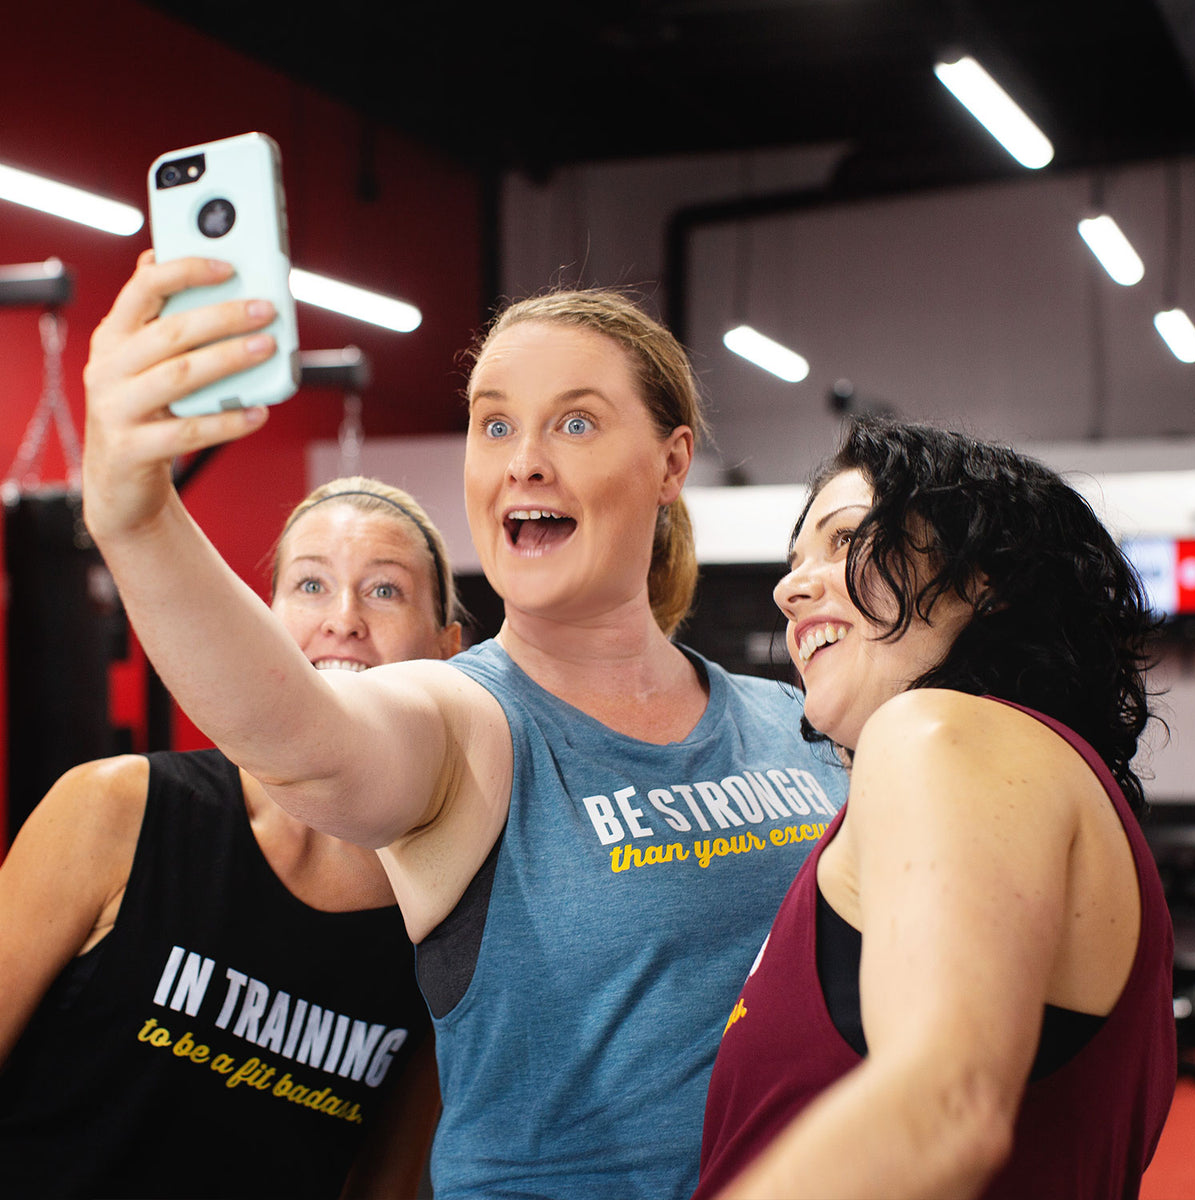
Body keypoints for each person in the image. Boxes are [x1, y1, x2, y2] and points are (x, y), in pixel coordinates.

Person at [79, 252, 849, 1199]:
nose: (525, 457)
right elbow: (305, 739)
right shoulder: (468, 720)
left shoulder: (795, 721)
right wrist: (137, 518)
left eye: (575, 421)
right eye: (495, 423)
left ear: (671, 463)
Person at [692, 417, 1177, 1200]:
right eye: (793, 563)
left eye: (846, 540)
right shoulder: (1002, 770)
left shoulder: (940, 731)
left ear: (987, 580)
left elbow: (944, 1111)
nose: (789, 587)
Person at [0, 475, 463, 1199]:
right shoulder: (114, 809)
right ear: (267, 621)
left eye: (384, 591)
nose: (343, 619)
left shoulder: (444, 920)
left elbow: (384, 1187)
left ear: (446, 648)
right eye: (310, 585)